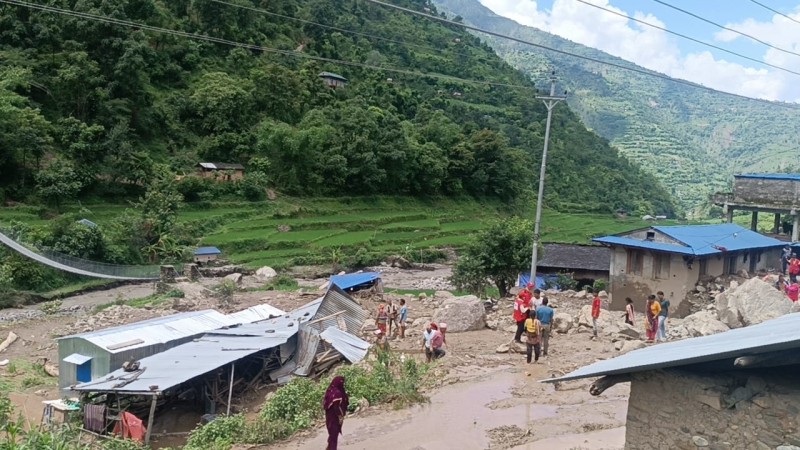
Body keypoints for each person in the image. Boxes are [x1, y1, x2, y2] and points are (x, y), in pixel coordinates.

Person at [323, 376, 350, 450]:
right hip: (334, 417)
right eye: (342, 383)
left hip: (329, 417)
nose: (343, 384)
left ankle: (329, 448)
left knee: (332, 434)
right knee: (334, 435)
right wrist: (340, 416)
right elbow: (336, 407)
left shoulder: (330, 390)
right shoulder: (337, 393)